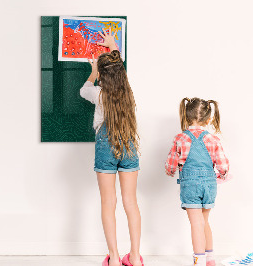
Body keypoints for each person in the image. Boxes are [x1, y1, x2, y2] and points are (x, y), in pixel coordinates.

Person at [80, 28, 143, 266]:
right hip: (128, 145)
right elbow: (119, 70)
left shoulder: (98, 94)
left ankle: (115, 258)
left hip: (106, 147)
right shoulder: (128, 93)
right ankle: (135, 257)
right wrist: (114, 46)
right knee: (131, 202)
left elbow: (83, 90)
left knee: (109, 203)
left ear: (103, 77)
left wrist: (93, 71)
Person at [165, 98, 230, 266]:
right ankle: (210, 260)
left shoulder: (180, 138)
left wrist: (170, 171)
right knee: (204, 222)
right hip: (209, 185)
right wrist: (222, 176)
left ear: (186, 117)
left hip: (190, 186)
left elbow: (170, 164)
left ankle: (199, 261)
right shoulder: (213, 139)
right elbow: (223, 165)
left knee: (196, 224)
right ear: (208, 120)